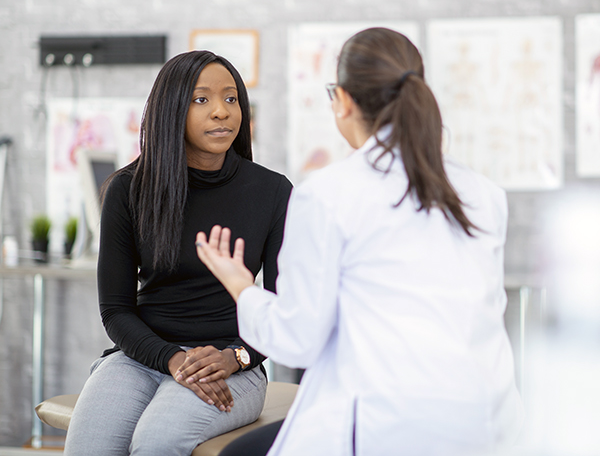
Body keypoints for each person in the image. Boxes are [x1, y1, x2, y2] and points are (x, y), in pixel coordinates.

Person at [192, 28, 524, 456]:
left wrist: (241, 286)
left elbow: (298, 341)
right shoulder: (484, 194)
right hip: (489, 423)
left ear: (344, 101)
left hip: (386, 428)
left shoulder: (328, 194)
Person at [64, 50, 293, 456]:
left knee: (156, 442)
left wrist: (234, 357)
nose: (221, 111)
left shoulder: (273, 192)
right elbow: (115, 309)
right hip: (142, 356)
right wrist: (172, 359)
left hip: (233, 364)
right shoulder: (127, 189)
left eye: (231, 98)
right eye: (201, 99)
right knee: (90, 447)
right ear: (171, 110)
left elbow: (283, 308)